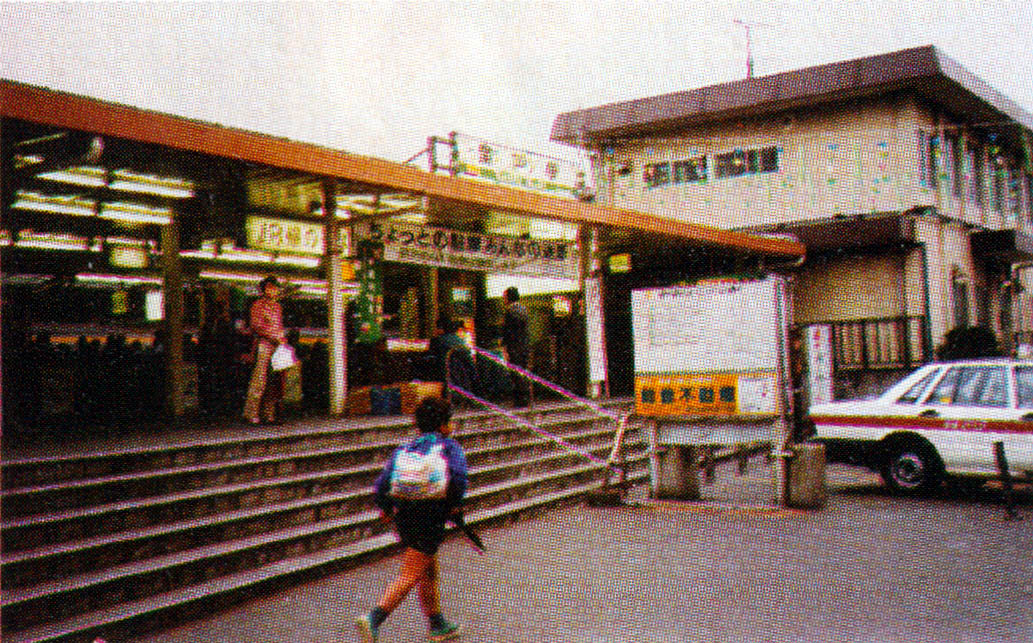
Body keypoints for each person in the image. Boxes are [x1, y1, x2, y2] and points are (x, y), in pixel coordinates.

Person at [356, 397, 468, 643]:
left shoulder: (405, 449)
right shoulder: (449, 447)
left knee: (427, 568)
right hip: (431, 514)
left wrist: (385, 508)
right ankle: (374, 618)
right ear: (444, 425)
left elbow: (382, 483)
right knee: (411, 572)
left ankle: (437, 622)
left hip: (404, 514)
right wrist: (455, 505)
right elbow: (459, 478)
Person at [243, 276, 286, 424]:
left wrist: (281, 339)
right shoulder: (257, 306)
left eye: (274, 287)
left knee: (274, 382)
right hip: (263, 344)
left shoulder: (278, 307)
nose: (273, 290)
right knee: (259, 379)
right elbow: (256, 326)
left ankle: (269, 413)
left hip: (277, 346)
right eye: (269, 287)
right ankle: (251, 412)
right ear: (263, 289)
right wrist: (273, 336)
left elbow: (279, 326)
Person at [428, 317, 476, 397]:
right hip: (461, 374)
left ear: (441, 328)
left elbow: (431, 355)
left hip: (443, 372)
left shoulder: (437, 340)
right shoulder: (461, 341)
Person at [501, 286, 530, 407]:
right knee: (522, 371)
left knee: (515, 372)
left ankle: (520, 400)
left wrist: (504, 346)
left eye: (505, 297)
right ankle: (525, 398)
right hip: (524, 345)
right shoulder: (523, 309)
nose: (504, 299)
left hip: (514, 346)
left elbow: (507, 331)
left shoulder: (510, 311)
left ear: (509, 297)